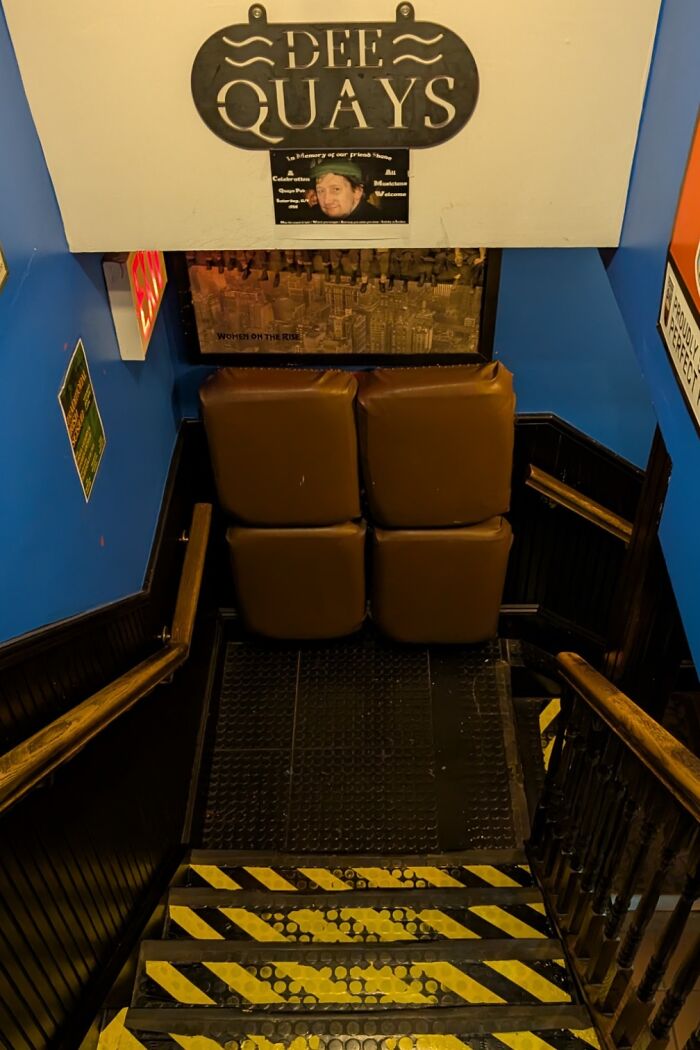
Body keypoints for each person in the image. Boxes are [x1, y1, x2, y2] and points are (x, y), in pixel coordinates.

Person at [305, 159, 380, 222]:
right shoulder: (310, 217)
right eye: (321, 191)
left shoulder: (377, 220)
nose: (327, 201)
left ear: (357, 192)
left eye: (336, 189)